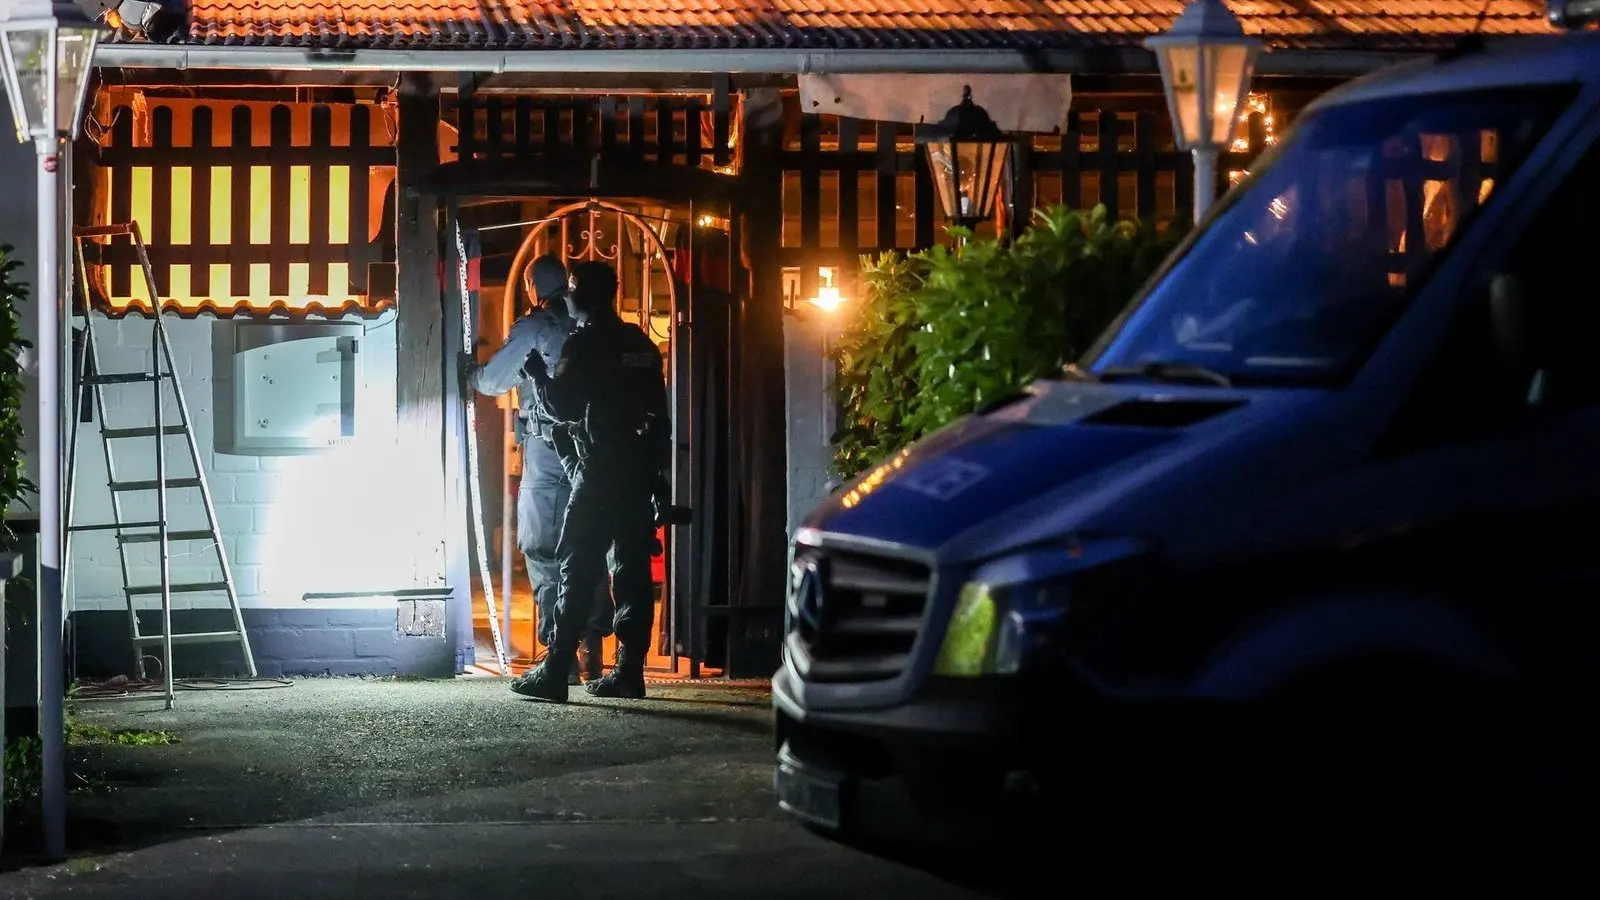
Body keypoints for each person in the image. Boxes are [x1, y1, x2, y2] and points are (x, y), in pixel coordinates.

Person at [510, 260, 670, 701]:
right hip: (636, 473)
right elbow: (660, 419)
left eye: (574, 288)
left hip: (598, 471)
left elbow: (561, 406)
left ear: (588, 295)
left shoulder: (585, 344)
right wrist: (658, 479)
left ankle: (556, 666)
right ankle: (629, 671)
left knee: (576, 567)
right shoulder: (639, 343)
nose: (568, 296)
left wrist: (537, 375)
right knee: (632, 570)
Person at [464, 254, 612, 684]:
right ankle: (593, 650)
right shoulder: (592, 328)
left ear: (532, 286)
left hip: (548, 449)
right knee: (590, 544)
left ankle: (557, 655)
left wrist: (470, 371)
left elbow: (493, 381)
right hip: (595, 449)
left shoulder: (535, 327)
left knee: (542, 546)